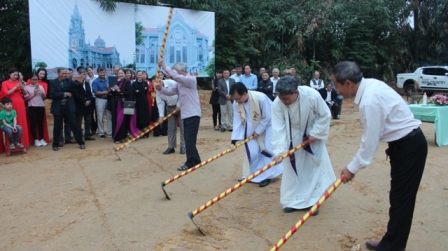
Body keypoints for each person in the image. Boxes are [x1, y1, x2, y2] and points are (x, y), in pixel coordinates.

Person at [332, 61, 427, 251]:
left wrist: (351, 169)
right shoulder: (370, 86)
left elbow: (370, 143)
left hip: (409, 147)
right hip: (403, 145)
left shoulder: (369, 100)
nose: (336, 90)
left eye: (337, 85)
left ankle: (392, 247)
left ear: (349, 83)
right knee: (398, 199)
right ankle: (390, 242)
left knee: (402, 202)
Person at [271, 76, 336, 215]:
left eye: (286, 98)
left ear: (296, 92)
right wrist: (279, 151)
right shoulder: (278, 102)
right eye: (281, 98)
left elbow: (324, 114)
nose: (283, 101)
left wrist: (315, 133)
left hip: (312, 136)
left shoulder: (311, 95)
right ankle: (291, 201)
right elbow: (278, 127)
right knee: (293, 170)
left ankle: (313, 201)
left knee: (312, 168)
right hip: (292, 137)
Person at [229, 83, 283, 187]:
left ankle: (267, 176)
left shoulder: (260, 98)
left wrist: (258, 131)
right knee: (252, 151)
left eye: (238, 98)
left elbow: (267, 117)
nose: (236, 101)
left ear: (245, 94)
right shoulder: (236, 104)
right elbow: (237, 122)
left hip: (268, 126)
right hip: (250, 128)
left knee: (267, 149)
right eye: (234, 99)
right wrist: (233, 141)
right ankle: (251, 175)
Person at [156, 59, 201, 171]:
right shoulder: (180, 83)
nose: (173, 73)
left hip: (193, 114)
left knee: (189, 139)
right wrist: (161, 88)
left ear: (181, 71)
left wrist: (164, 65)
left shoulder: (190, 79)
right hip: (186, 114)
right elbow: (170, 91)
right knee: (189, 138)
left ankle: (190, 162)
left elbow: (176, 77)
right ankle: (196, 160)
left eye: (174, 71)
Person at [49, 67, 85, 151]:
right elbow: (52, 94)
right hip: (58, 108)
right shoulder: (52, 82)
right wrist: (65, 94)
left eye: (66, 73)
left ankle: (81, 142)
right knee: (57, 126)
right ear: (58, 73)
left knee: (74, 125)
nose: (64, 75)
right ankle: (55, 144)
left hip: (69, 107)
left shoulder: (69, 81)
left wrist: (80, 81)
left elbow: (77, 86)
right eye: (63, 73)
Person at [156, 71, 185, 154]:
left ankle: (183, 146)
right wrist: (161, 116)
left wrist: (179, 105)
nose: (156, 88)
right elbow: (160, 103)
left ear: (160, 81)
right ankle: (171, 147)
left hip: (181, 107)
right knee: (171, 128)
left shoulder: (172, 83)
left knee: (183, 128)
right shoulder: (157, 90)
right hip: (169, 108)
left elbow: (182, 93)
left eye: (157, 85)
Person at [1, 68, 30, 149]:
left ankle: (24, 143)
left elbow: (24, 93)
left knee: (21, 121)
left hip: (20, 102)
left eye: (17, 75)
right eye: (14, 74)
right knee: (11, 121)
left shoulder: (18, 82)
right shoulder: (5, 83)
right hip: (10, 103)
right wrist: (15, 87)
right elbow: (6, 94)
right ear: (9, 74)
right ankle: (12, 143)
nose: (15, 76)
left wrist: (23, 88)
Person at [109, 68, 139, 143]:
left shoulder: (127, 82)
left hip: (126, 103)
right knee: (121, 120)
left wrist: (119, 90)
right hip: (120, 103)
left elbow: (128, 93)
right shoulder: (118, 82)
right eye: (119, 73)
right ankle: (120, 137)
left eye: (122, 73)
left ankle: (121, 137)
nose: (120, 75)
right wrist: (111, 90)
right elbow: (116, 94)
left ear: (125, 74)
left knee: (123, 120)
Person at [26, 68, 50, 145]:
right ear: (30, 79)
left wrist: (42, 93)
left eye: (36, 80)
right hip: (32, 107)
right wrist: (34, 93)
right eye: (33, 79)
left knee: (40, 123)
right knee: (33, 123)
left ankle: (41, 139)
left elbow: (44, 98)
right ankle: (35, 140)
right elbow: (26, 99)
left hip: (40, 106)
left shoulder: (41, 86)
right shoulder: (27, 87)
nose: (35, 81)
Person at [73, 68, 95, 141]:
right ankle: (79, 136)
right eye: (82, 74)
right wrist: (84, 101)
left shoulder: (87, 83)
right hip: (79, 105)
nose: (84, 76)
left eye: (85, 74)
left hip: (88, 105)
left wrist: (89, 100)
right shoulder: (75, 83)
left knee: (88, 121)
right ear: (79, 74)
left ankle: (87, 135)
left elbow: (89, 93)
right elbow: (76, 94)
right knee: (78, 122)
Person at [92, 67, 112, 139]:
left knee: (109, 116)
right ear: (98, 73)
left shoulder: (108, 80)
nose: (103, 74)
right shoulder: (95, 82)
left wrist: (109, 89)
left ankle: (110, 132)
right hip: (100, 99)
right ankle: (101, 132)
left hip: (108, 99)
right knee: (100, 117)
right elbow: (96, 92)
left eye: (104, 72)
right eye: (101, 72)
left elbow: (111, 89)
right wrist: (106, 92)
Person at [132, 70, 151, 137]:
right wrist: (141, 91)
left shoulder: (145, 83)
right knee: (139, 117)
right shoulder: (134, 84)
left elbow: (146, 91)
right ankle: (139, 133)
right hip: (138, 102)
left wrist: (139, 91)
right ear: (136, 76)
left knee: (145, 117)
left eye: (141, 75)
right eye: (138, 75)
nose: (140, 76)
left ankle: (146, 133)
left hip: (144, 101)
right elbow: (134, 92)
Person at [86, 66, 97, 136]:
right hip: (91, 98)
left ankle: (100, 128)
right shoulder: (86, 79)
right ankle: (93, 128)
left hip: (98, 97)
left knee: (98, 114)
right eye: (88, 71)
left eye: (90, 70)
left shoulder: (97, 77)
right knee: (90, 114)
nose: (89, 72)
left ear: (93, 70)